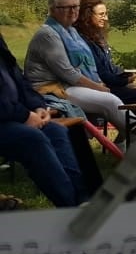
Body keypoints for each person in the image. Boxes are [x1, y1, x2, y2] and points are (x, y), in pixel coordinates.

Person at [24, 0, 134, 136]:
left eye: (76, 6)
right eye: (67, 7)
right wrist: (98, 87)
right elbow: (67, 73)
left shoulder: (71, 31)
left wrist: (98, 83)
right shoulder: (48, 34)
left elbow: (81, 68)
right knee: (110, 101)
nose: (73, 11)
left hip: (67, 86)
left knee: (117, 98)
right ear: (53, 9)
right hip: (52, 89)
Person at [1, 32, 90, 207]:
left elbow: (19, 78)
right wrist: (25, 115)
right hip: (7, 118)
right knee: (32, 139)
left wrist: (37, 106)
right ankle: (70, 205)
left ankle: (83, 199)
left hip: (12, 115)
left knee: (57, 131)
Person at [74, 0, 136, 110]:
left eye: (106, 14)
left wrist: (124, 73)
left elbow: (109, 67)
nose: (106, 18)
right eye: (101, 14)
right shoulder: (84, 42)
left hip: (107, 84)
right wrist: (125, 80)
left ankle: (135, 125)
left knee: (134, 88)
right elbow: (102, 73)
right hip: (98, 87)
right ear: (87, 16)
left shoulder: (97, 37)